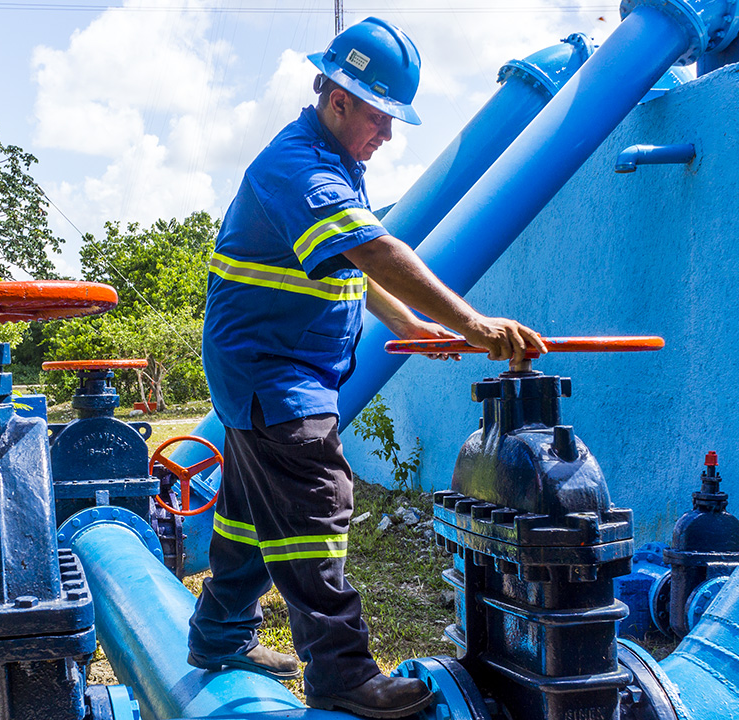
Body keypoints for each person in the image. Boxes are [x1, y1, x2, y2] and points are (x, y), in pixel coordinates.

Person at [186, 17, 546, 719]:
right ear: (338, 98)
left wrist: (410, 324)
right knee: (316, 508)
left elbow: (351, 258)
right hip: (273, 373)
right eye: (381, 117)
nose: (387, 135)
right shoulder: (300, 167)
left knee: (248, 517)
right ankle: (341, 674)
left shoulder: (333, 162)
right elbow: (378, 252)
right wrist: (470, 322)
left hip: (265, 369)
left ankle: (218, 637)